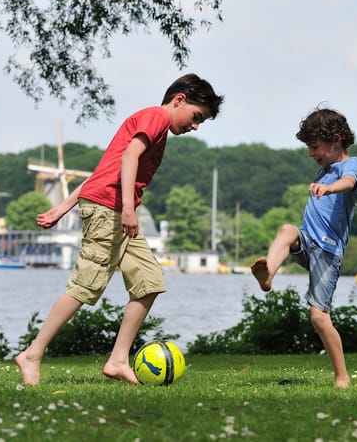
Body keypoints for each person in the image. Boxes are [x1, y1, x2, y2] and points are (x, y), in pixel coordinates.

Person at [16, 73, 224, 386]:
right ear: (179, 99)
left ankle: (117, 359)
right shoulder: (155, 116)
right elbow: (128, 158)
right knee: (85, 285)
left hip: (116, 210)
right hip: (110, 211)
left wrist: (63, 207)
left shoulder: (156, 126)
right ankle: (32, 354)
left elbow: (102, 171)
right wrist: (128, 208)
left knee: (149, 283)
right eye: (196, 117)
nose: (195, 127)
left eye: (201, 123)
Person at [251, 106, 357, 388]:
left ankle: (342, 377)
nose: (312, 153)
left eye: (315, 147)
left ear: (335, 139)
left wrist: (331, 189)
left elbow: (352, 185)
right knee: (287, 230)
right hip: (307, 240)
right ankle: (269, 274)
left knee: (319, 318)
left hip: (328, 251)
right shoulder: (324, 169)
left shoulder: (350, 165)